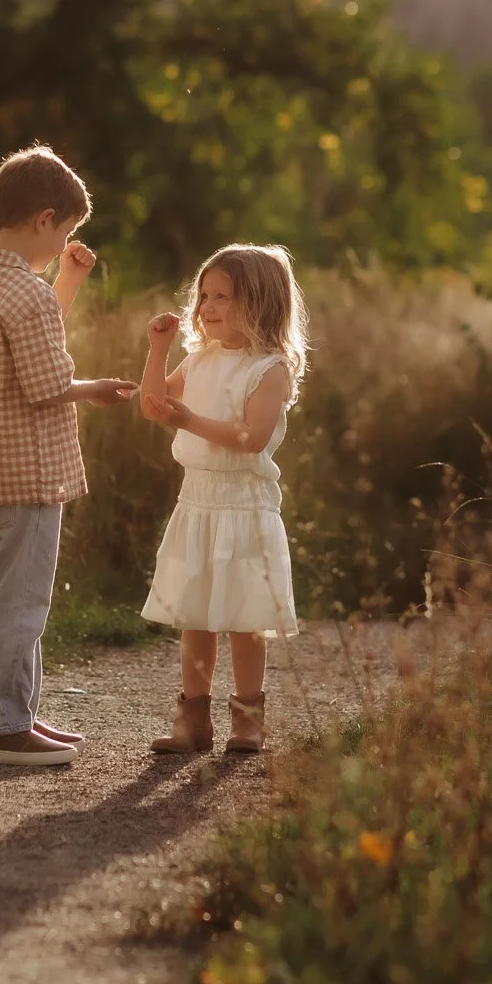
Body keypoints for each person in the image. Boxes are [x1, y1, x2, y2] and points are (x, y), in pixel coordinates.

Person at [0, 144, 136, 768]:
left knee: (16, 594)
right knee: (22, 602)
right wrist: (99, 388)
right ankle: (0, 727)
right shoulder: (24, 296)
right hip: (28, 471)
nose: (63, 241)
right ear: (43, 220)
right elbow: (45, 383)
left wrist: (67, 281)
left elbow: (33, 343)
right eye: (64, 231)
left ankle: (16, 712)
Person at [139, 244, 307, 757]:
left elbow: (251, 437)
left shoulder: (269, 368)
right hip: (199, 499)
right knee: (195, 611)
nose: (207, 307)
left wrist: (187, 420)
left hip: (244, 504)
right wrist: (158, 350)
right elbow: (153, 404)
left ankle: (249, 720)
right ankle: (193, 720)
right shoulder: (201, 358)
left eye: (222, 298)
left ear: (259, 303)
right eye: (204, 295)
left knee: (242, 617)